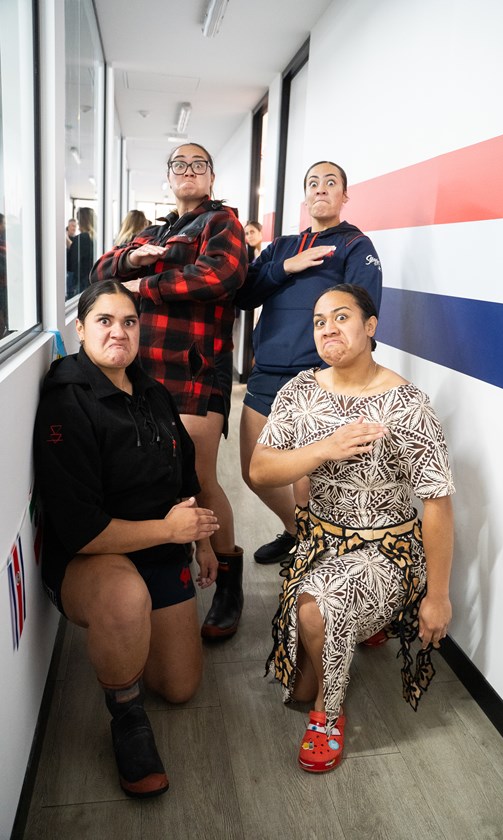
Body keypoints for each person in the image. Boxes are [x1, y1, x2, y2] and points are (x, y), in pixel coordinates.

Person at [250, 284, 454, 773]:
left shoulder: (406, 404)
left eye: (341, 317)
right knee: (296, 683)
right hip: (319, 544)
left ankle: (329, 713)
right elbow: (260, 469)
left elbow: (438, 504)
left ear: (370, 326)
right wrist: (323, 449)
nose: (328, 329)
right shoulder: (300, 391)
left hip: (387, 551)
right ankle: (354, 635)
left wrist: (438, 596)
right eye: (319, 321)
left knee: (319, 612)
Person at [33, 281, 220, 797]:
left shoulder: (151, 390)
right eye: (105, 321)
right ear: (81, 328)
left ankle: (136, 645)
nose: (119, 331)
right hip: (94, 557)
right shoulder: (67, 399)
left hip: (158, 547)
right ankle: (127, 719)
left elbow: (186, 477)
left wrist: (200, 539)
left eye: (130, 321)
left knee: (181, 688)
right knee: (124, 597)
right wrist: (170, 531)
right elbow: (82, 530)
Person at [91, 143, 248, 640]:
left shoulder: (222, 224)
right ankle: (176, 562)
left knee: (199, 477)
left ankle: (228, 580)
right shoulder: (155, 232)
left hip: (195, 369)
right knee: (156, 474)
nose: (188, 171)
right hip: (145, 373)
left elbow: (220, 275)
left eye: (198, 165)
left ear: (211, 176)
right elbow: (101, 272)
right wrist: (133, 257)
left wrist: (144, 286)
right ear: (169, 177)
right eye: (179, 165)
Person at [235, 161, 382, 565]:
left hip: (316, 378)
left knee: (307, 480)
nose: (321, 188)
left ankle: (317, 557)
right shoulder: (282, 246)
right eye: (313, 183)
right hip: (267, 372)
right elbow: (243, 293)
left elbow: (363, 315)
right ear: (305, 197)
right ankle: (299, 531)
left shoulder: (355, 246)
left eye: (330, 182)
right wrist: (286, 267)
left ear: (344, 196)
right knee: (254, 470)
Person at [67, 207, 95, 297]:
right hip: (92, 284)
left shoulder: (81, 239)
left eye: (79, 221)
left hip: (81, 286)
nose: (78, 224)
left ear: (83, 221)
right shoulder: (96, 239)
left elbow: (72, 265)